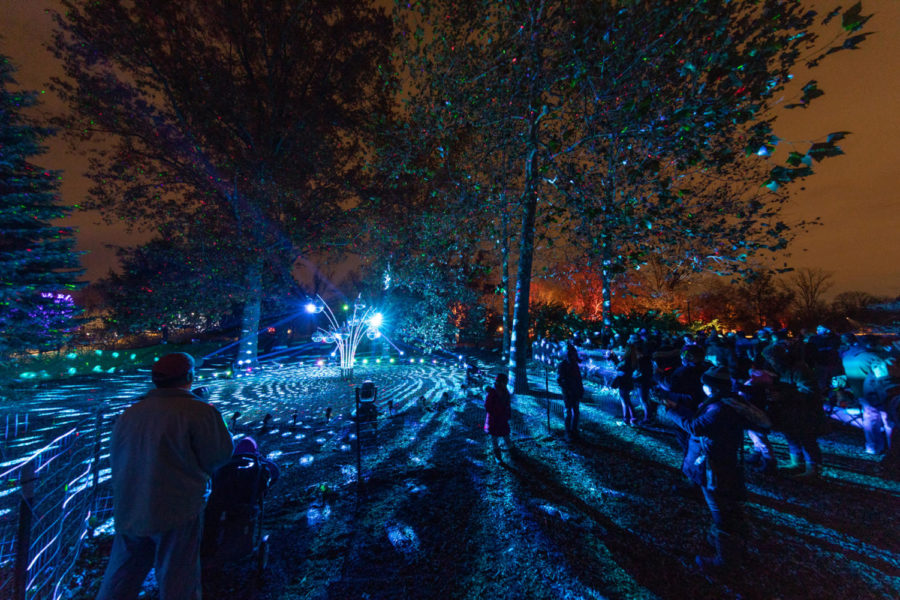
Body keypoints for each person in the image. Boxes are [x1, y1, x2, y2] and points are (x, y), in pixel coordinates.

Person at [97, 352, 234, 600]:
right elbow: (219, 456)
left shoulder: (131, 413)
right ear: (190, 376)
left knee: (121, 574)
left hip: (130, 505)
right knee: (178, 577)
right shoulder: (198, 411)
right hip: (177, 507)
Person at [663, 366, 747, 572]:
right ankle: (721, 539)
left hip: (713, 464)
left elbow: (696, 426)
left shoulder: (719, 408)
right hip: (720, 460)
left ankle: (725, 559)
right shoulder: (727, 402)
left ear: (712, 386)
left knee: (719, 506)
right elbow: (700, 419)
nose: (703, 387)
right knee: (723, 504)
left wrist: (672, 411)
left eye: (705, 384)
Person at [203, 436, 279, 562]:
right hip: (245, 504)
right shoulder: (256, 469)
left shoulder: (224, 469)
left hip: (220, 503)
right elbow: (274, 473)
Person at [557, 343, 585, 438]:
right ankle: (568, 432)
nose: (574, 356)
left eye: (574, 354)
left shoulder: (575, 365)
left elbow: (578, 379)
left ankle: (574, 430)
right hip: (568, 393)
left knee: (576, 411)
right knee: (568, 411)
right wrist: (567, 390)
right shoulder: (563, 365)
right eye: (572, 354)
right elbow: (560, 379)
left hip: (576, 391)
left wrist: (581, 389)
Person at [484, 372, 513, 461]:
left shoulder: (505, 391)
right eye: (505, 382)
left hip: (502, 418)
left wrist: (508, 413)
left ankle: (512, 453)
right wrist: (496, 411)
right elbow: (487, 406)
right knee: (494, 439)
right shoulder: (492, 392)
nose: (506, 384)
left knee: (506, 436)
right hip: (494, 419)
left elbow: (507, 404)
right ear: (501, 382)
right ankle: (498, 457)